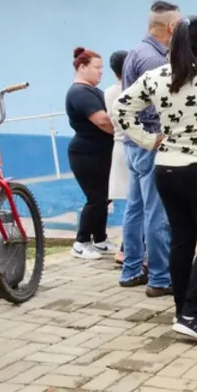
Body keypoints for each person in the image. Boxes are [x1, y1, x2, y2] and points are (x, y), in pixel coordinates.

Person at [112, 16, 197, 345]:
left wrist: (147, 140)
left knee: (182, 241)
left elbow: (120, 108)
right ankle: (190, 313)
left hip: (167, 170)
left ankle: (185, 310)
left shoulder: (156, 76)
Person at [117, 0, 180, 296]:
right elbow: (154, 108)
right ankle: (159, 277)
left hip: (133, 145)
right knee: (157, 214)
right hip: (149, 143)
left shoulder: (135, 52)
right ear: (170, 27)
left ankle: (131, 270)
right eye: (178, 25)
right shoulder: (155, 61)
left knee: (135, 210)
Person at [65, 47, 118, 259]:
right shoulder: (79, 92)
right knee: (96, 197)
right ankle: (81, 242)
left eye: (102, 68)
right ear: (82, 67)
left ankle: (100, 239)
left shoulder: (93, 91)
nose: (101, 72)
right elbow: (102, 120)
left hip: (100, 153)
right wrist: (125, 132)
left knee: (105, 197)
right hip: (86, 154)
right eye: (96, 67)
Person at [104, 50, 131, 266]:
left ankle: (127, 249)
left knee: (135, 204)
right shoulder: (133, 90)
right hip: (133, 147)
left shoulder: (109, 92)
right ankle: (126, 250)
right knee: (141, 204)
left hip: (119, 147)